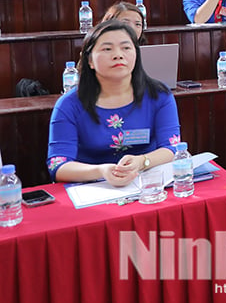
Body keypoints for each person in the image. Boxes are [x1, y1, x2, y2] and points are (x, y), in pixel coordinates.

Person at [45, 20, 179, 185]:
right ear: (90, 61)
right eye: (107, 49)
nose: (118, 55)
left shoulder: (159, 95)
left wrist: (142, 162)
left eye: (126, 48)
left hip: (146, 183)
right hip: (91, 188)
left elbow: (173, 148)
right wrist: (101, 171)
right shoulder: (69, 105)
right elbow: (58, 165)